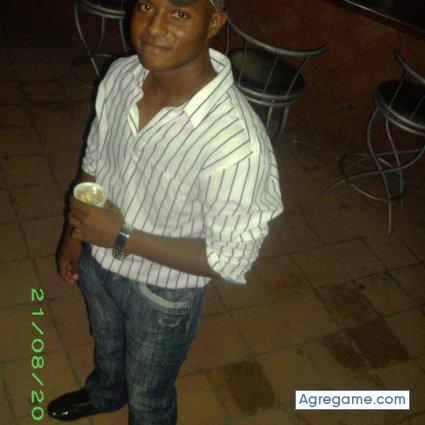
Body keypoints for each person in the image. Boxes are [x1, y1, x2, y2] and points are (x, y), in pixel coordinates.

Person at [47, 0, 283, 423]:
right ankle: (105, 393)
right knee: (107, 345)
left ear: (214, 22)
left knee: (149, 392)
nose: (154, 28)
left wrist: (121, 236)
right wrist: (74, 233)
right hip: (97, 261)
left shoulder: (236, 144)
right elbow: (96, 156)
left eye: (180, 14)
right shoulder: (122, 75)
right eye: (146, 6)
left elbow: (230, 259)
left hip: (161, 293)